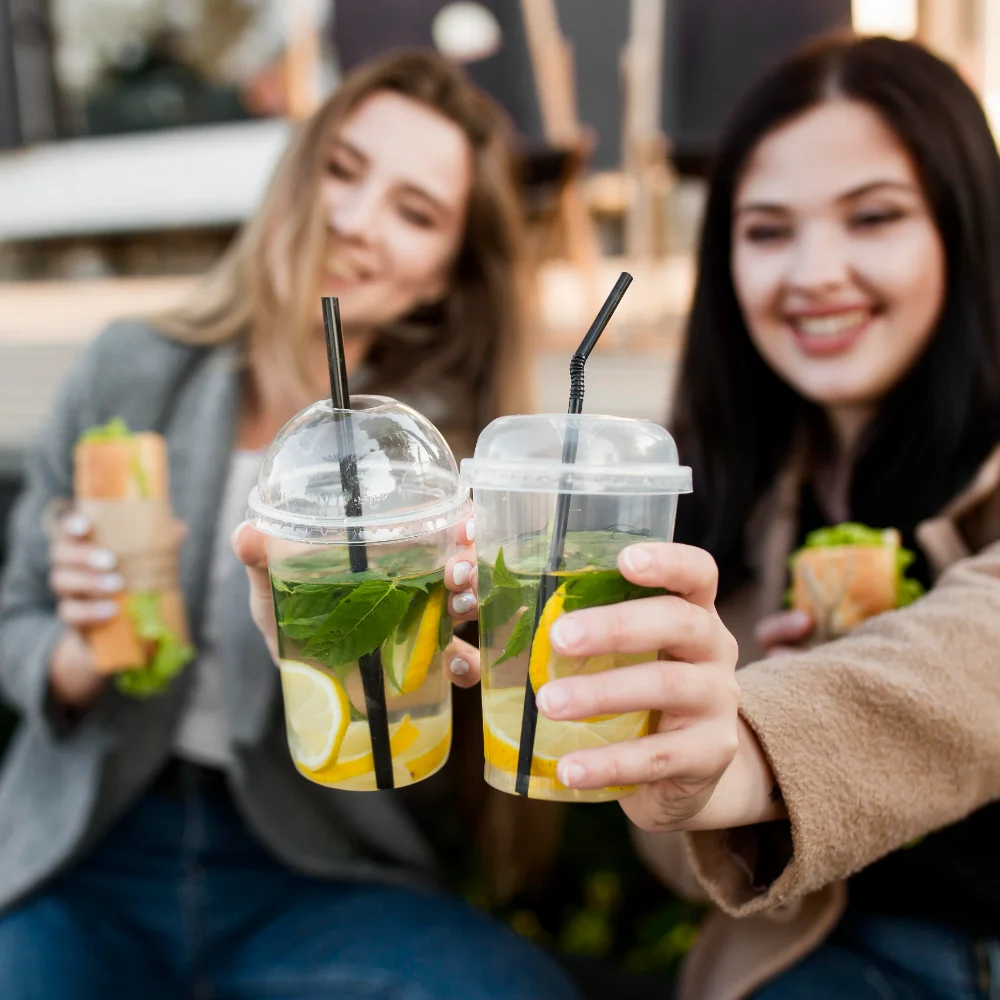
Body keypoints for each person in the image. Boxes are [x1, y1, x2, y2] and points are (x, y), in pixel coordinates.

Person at [417, 33, 1000, 1000]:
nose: (814, 272)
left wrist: (752, 739)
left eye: (875, 217)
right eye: (768, 230)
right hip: (807, 963)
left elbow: (979, 651)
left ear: (965, 225)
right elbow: (674, 851)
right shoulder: (729, 480)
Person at [0, 50, 581, 1000]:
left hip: (312, 865)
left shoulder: (437, 469)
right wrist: (77, 650)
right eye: (343, 169)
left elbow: (447, 763)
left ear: (444, 277)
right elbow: (16, 617)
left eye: (416, 211)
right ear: (297, 172)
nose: (353, 220)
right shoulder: (132, 371)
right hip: (95, 844)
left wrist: (444, 646)